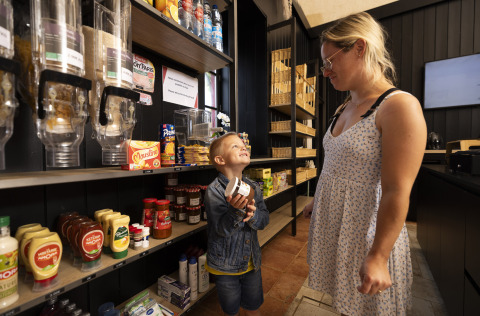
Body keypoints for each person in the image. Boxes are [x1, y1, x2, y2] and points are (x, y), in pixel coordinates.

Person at [303, 12, 427, 316]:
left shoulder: (398, 107)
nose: (325, 72)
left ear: (360, 47)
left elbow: (397, 191)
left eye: (329, 62)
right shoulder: (345, 106)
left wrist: (379, 255)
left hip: (366, 235)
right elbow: (336, 165)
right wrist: (319, 200)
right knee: (345, 303)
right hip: (337, 228)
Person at [204, 132, 269, 316]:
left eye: (243, 145)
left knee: (253, 306)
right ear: (220, 159)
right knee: (231, 310)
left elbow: (264, 219)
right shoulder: (214, 191)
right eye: (235, 146)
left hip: (251, 262)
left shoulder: (253, 188)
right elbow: (220, 229)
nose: (243, 147)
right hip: (224, 267)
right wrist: (234, 211)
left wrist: (253, 215)